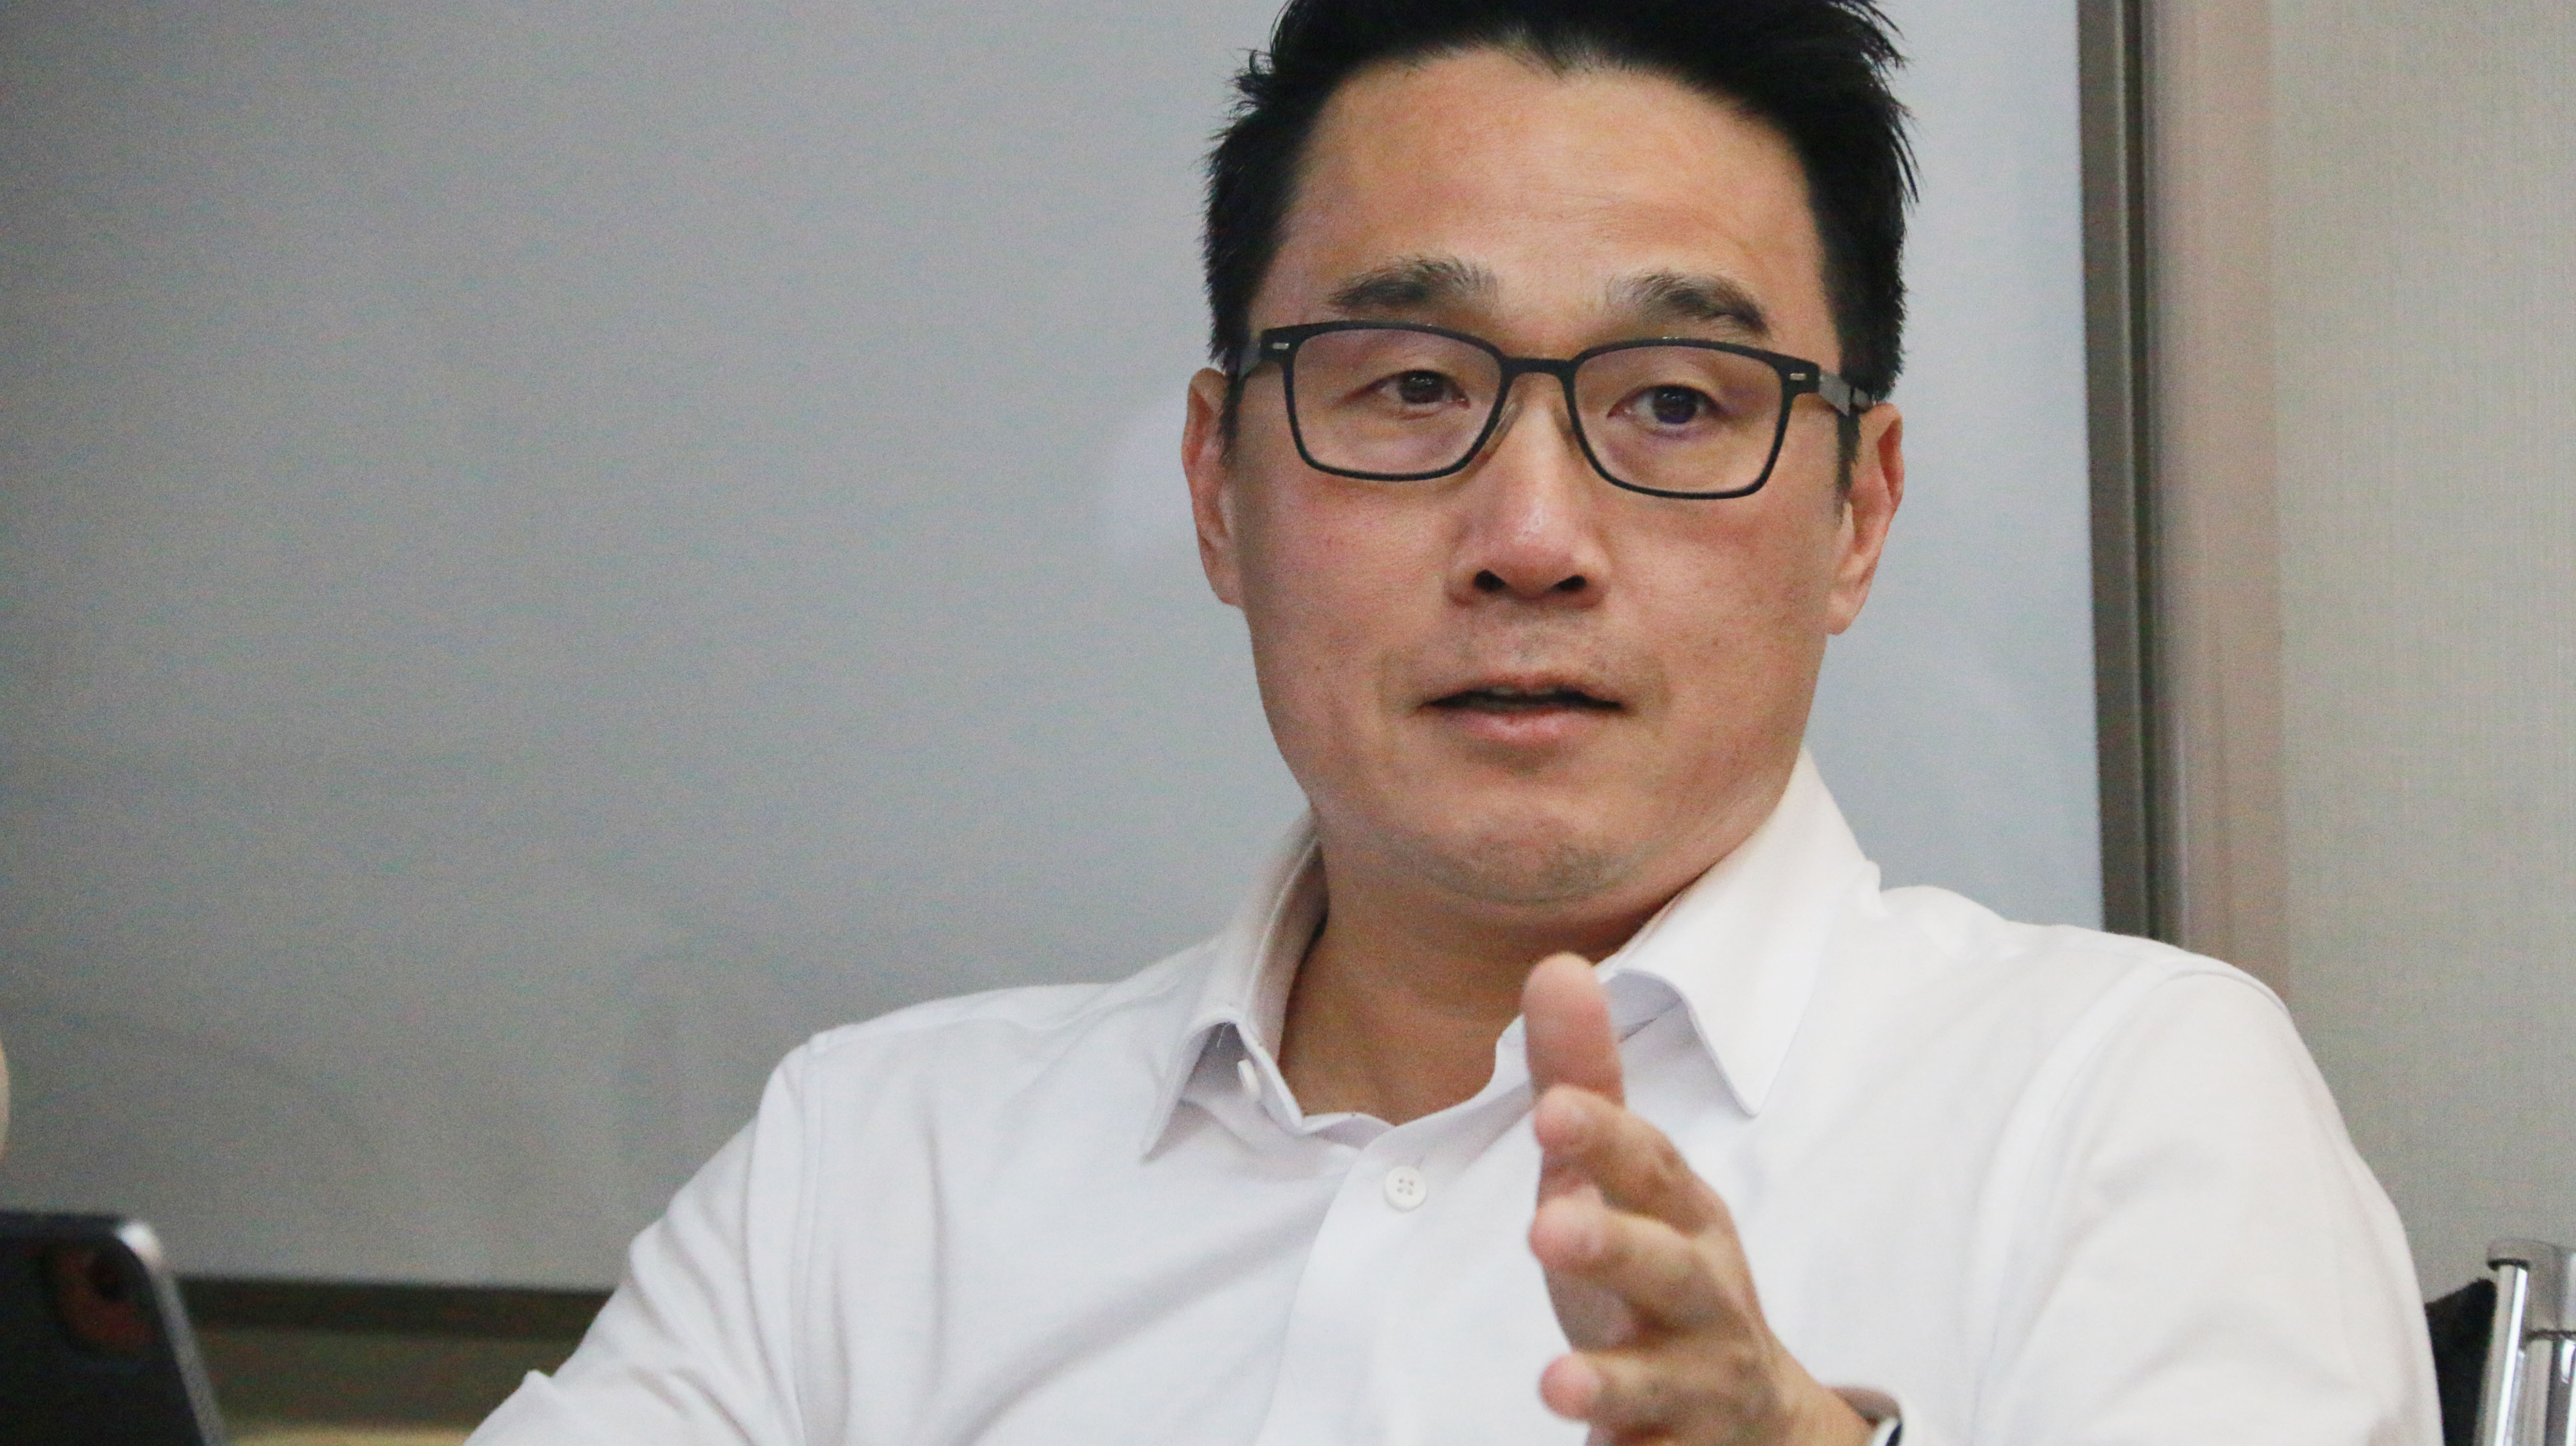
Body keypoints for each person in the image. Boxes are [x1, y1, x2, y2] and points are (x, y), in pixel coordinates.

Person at [468, 1, 2438, 1442]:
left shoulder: (2124, 1113)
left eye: (1676, 403)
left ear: (1860, 513)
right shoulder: (872, 1168)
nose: (1532, 539)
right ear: (1218, 488)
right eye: (1410, 387)